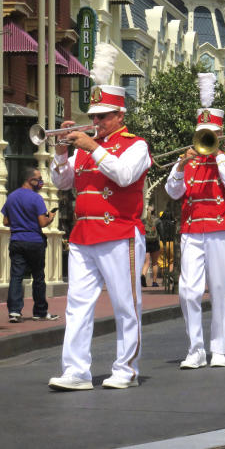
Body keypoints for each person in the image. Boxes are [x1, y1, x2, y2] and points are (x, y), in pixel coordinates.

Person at [48, 82, 151, 390]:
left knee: (125, 304)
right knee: (77, 305)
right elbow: (63, 182)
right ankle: (76, 372)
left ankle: (126, 369)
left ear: (120, 115)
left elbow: (124, 175)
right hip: (83, 233)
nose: (96, 123)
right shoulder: (86, 147)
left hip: (119, 230)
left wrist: (92, 147)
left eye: (104, 116)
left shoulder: (136, 145)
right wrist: (61, 153)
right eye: (94, 117)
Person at [165, 104, 225, 368]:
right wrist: (179, 165)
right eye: (202, 132)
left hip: (220, 229)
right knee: (188, 291)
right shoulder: (189, 162)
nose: (206, 137)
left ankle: (219, 348)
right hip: (191, 229)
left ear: (220, 134)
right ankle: (195, 349)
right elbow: (173, 192)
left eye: (211, 133)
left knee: (220, 289)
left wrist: (218, 154)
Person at [2, 167, 58, 323]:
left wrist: (20, 221)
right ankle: (40, 311)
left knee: (16, 276)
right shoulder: (36, 198)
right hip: (34, 241)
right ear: (30, 180)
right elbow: (42, 222)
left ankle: (14, 311)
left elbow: (5, 221)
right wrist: (51, 217)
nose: (41, 182)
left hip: (17, 240)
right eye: (38, 178)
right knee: (38, 277)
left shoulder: (12, 197)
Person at [141, 205, 160, 288]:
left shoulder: (143, 221)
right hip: (155, 242)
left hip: (146, 242)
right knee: (155, 263)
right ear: (154, 211)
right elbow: (161, 231)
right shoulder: (157, 221)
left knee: (147, 262)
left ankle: (143, 275)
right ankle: (154, 282)